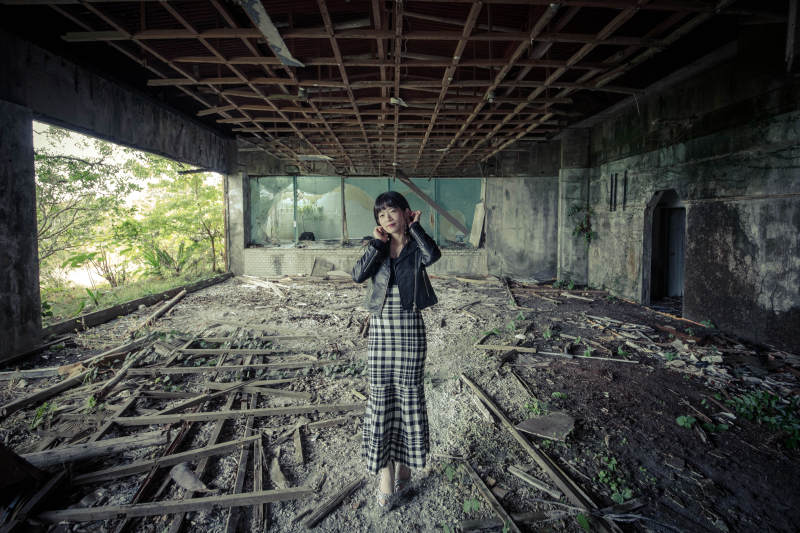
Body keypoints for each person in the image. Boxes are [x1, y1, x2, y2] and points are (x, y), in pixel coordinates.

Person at [351, 191, 441, 511]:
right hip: (381, 330)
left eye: (392, 211)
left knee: (408, 400)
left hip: (410, 330)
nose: (387, 218)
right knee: (381, 401)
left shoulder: (417, 244)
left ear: (406, 212)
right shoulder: (377, 246)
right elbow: (358, 275)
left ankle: (405, 466)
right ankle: (386, 475)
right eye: (381, 214)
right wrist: (377, 245)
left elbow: (433, 256)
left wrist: (415, 228)